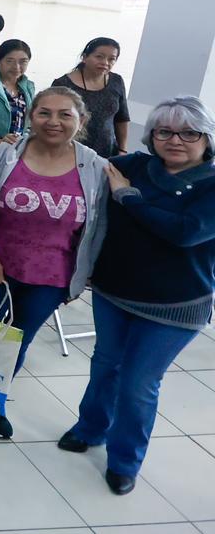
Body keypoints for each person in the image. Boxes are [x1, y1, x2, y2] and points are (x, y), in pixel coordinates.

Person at [58, 96, 215, 496]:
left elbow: (185, 232)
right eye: (164, 131)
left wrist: (129, 197)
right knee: (105, 365)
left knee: (138, 382)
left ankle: (124, 460)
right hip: (115, 292)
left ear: (207, 138)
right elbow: (80, 162)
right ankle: (90, 428)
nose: (175, 140)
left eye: (188, 132)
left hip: (177, 305)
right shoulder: (133, 166)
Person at [0, 87, 108, 439]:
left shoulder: (94, 166)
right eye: (44, 113)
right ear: (31, 116)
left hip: (53, 274)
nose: (53, 121)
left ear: (81, 120)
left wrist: (85, 273)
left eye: (65, 115)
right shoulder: (4, 154)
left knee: (19, 339)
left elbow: (98, 224)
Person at [52, 38, 131, 158]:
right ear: (84, 57)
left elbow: (122, 118)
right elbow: (54, 119)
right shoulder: (63, 84)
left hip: (107, 151)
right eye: (99, 56)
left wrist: (123, 150)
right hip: (70, 151)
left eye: (111, 59)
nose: (105, 62)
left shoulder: (116, 81)